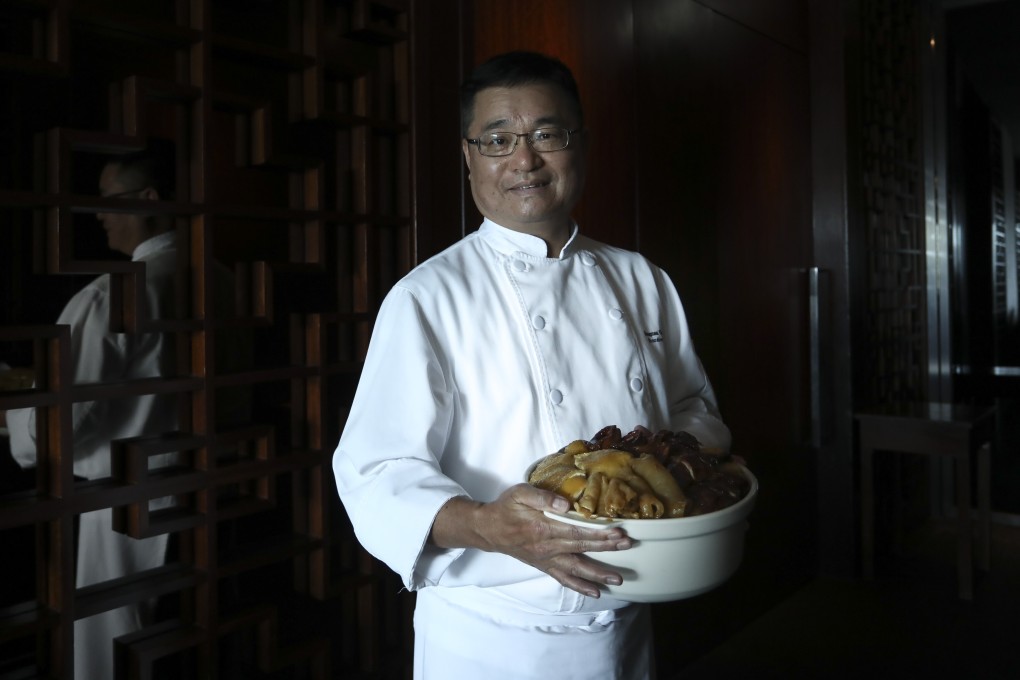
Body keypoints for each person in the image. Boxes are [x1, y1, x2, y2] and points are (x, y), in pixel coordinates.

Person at [332, 51, 731, 679]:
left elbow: (693, 407)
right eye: (497, 140)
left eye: (548, 134)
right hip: (492, 633)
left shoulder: (640, 277)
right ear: (469, 156)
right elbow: (376, 472)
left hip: (630, 613)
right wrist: (489, 526)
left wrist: (666, 467)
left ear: (581, 145)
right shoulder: (427, 296)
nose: (524, 160)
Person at [5, 141, 184, 679]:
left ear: (148, 200)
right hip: (205, 486)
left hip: (127, 499)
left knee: (113, 644)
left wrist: (10, 418)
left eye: (109, 200)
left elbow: (71, 419)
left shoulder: (115, 294)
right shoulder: (223, 277)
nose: (99, 215)